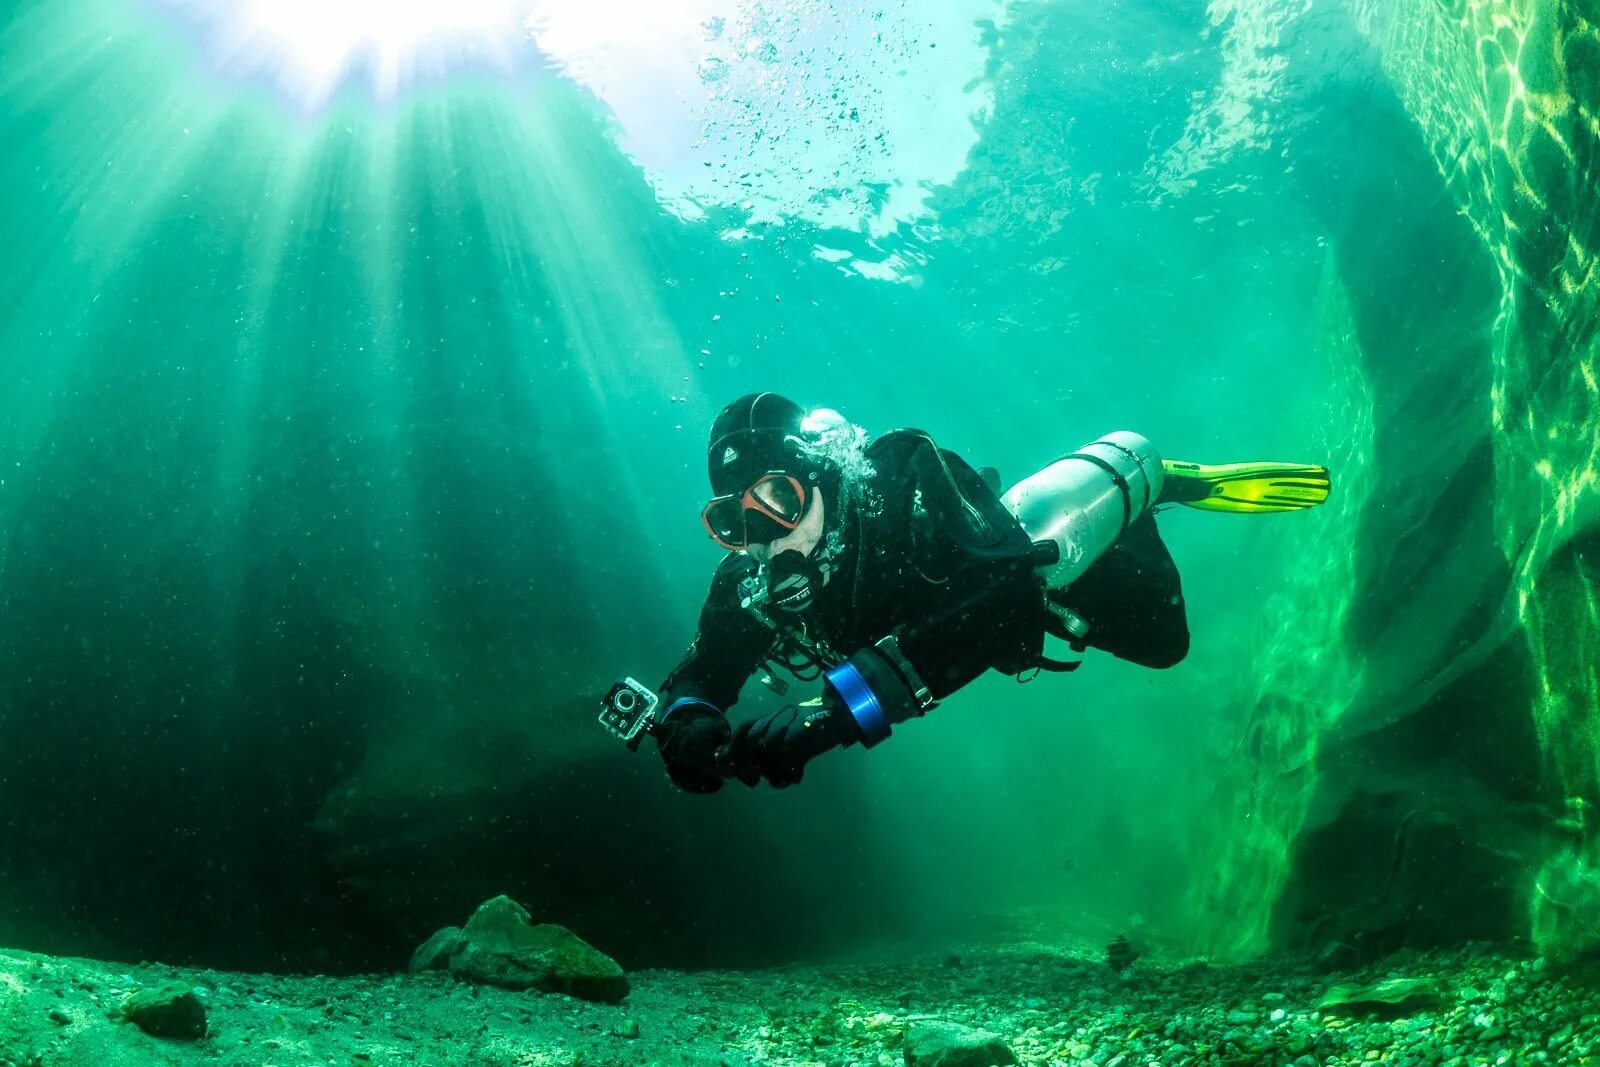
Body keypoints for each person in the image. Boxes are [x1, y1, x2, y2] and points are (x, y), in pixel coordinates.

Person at [649, 392, 1330, 792]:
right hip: (935, 631)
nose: (763, 535)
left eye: (777, 498)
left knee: (1163, 643)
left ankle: (1147, 493)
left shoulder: (903, 482)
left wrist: (831, 717)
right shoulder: (750, 580)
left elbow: (1001, 598)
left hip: (1014, 576)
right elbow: (703, 670)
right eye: (733, 520)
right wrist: (687, 719)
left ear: (821, 475)